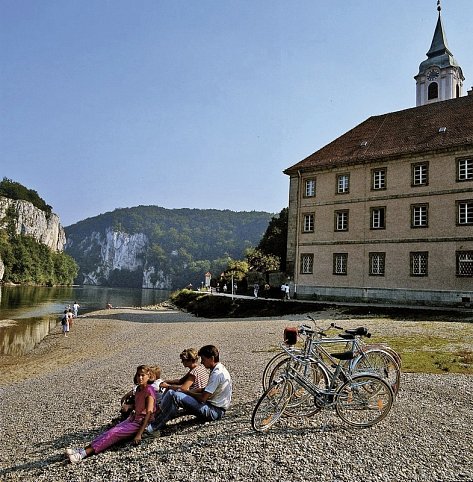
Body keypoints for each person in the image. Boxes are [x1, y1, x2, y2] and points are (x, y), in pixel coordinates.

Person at [66, 365, 156, 464]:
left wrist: (139, 434)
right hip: (134, 417)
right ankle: (83, 449)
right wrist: (130, 407)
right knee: (109, 431)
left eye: (143, 375)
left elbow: (149, 413)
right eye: (138, 375)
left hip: (141, 422)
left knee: (113, 433)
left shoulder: (149, 391)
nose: (140, 378)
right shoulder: (139, 389)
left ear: (149, 376)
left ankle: (83, 454)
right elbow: (139, 404)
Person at [147, 345, 232, 436]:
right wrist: (188, 391)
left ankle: (153, 427)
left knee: (175, 396)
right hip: (215, 407)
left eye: (203, 359)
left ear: (211, 358)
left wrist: (187, 392)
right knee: (173, 394)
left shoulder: (217, 374)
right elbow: (204, 389)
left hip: (214, 411)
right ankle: (157, 419)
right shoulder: (219, 369)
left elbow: (203, 398)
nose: (202, 362)